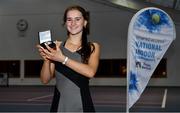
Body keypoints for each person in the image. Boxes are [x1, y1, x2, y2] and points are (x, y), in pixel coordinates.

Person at [37, 5, 100, 112]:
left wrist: (62, 59)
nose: (73, 23)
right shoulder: (57, 47)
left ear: (85, 22)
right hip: (59, 106)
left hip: (83, 105)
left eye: (77, 19)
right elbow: (45, 79)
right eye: (69, 19)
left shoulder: (93, 47)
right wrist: (47, 59)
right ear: (65, 23)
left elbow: (90, 72)